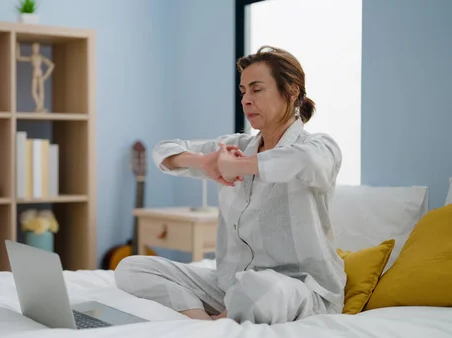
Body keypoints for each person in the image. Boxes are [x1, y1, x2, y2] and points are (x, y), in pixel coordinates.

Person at [114, 45, 346, 324]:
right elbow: (164, 151)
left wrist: (238, 166)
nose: (246, 100)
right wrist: (205, 162)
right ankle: (203, 323)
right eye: (243, 91)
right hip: (229, 285)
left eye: (256, 89)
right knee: (131, 267)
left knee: (261, 287)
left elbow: (304, 161)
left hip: (297, 289)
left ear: (292, 91)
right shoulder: (235, 146)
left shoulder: (319, 146)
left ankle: (224, 316)